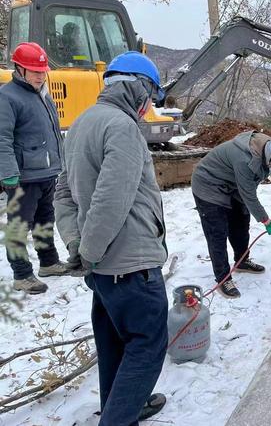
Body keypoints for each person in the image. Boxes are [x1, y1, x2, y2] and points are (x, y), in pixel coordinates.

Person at [54, 51, 169, 424]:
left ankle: (123, 407)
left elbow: (64, 195)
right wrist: (87, 251)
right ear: (139, 89)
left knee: (113, 344)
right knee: (147, 345)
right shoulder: (122, 127)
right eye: (150, 96)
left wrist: (78, 246)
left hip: (104, 270)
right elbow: (111, 198)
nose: (148, 106)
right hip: (131, 265)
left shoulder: (83, 123)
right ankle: (119, 416)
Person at [191, 132, 271, 298]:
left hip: (231, 183)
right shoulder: (246, 160)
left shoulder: (266, 148)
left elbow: (248, 190)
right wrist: (267, 221)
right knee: (218, 232)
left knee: (241, 221)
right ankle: (223, 278)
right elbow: (249, 195)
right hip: (208, 185)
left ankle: (242, 260)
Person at [0, 42, 69, 295]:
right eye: (34, 71)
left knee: (45, 219)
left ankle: (49, 262)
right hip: (23, 177)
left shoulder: (42, 95)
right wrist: (8, 173)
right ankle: (21, 274)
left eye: (42, 71)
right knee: (20, 224)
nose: (40, 75)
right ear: (19, 69)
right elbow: (2, 138)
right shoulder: (7, 97)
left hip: (46, 172)